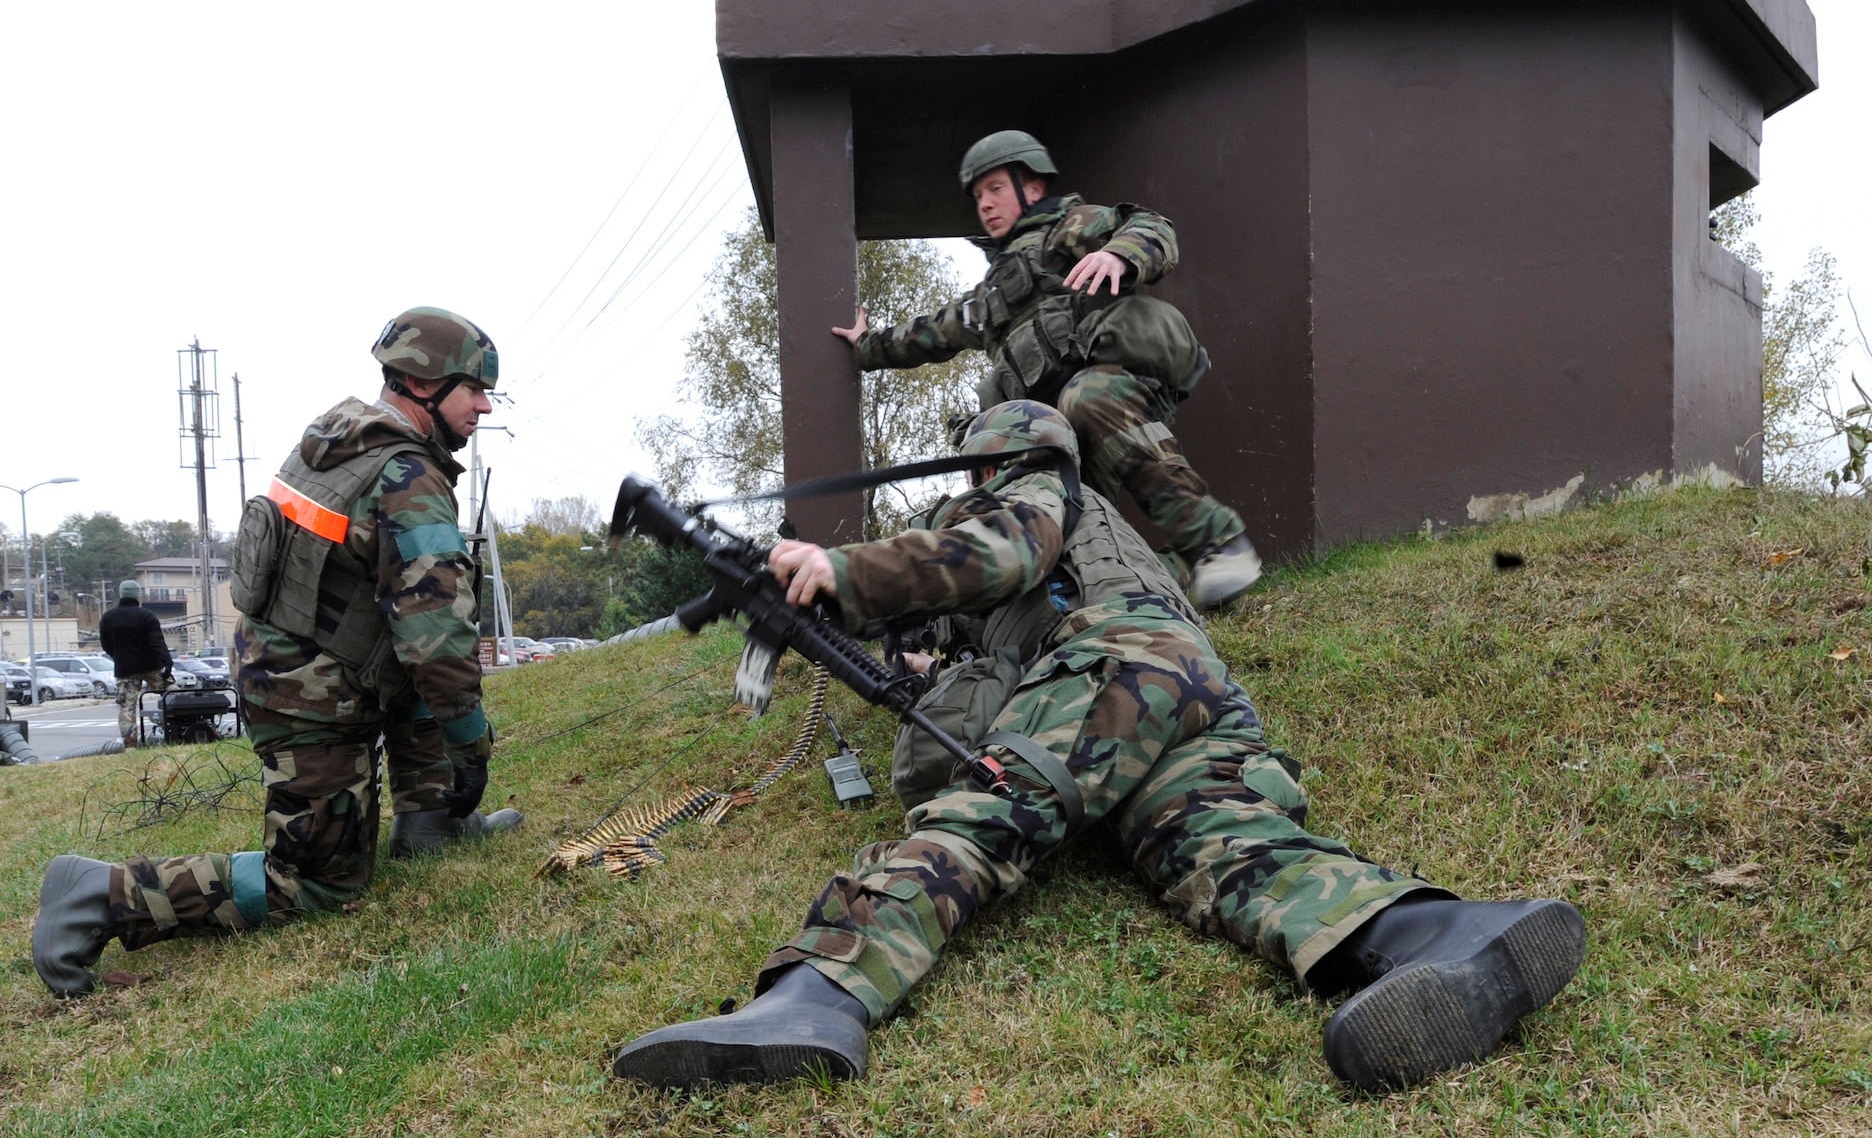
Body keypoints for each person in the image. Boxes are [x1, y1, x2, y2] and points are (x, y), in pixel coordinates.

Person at [611, 401, 1585, 1093]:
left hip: (1107, 675)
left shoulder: (1036, 491)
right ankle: (1428, 935)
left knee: (985, 811)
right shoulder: (1119, 537)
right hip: (1189, 689)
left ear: (992, 464)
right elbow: (979, 610)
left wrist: (842, 565)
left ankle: (818, 991)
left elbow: (991, 554)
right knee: (1226, 848)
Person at [31, 308, 523, 998]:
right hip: (311, 696)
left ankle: (433, 823)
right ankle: (101, 893)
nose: (484, 403)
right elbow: (437, 636)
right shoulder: (408, 475)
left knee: (419, 682)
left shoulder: (341, 440)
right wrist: (471, 745)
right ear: (421, 383)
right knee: (317, 884)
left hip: (299, 664)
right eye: (473, 386)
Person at [832, 130, 1262, 610]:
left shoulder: (1068, 228)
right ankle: (1175, 578)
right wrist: (865, 345)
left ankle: (1220, 544)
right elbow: (928, 333)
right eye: (978, 196)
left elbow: (1151, 226)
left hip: (1115, 398)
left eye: (996, 188)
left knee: (1088, 395)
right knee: (1058, 527)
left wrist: (1118, 253)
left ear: (1032, 188)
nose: (986, 205)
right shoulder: (986, 300)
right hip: (1055, 439)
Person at [98, 579, 175, 746]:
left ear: (121, 595)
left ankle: (130, 744)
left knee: (127, 707)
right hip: (151, 666)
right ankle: (177, 729)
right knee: (172, 693)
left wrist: (118, 656)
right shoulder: (146, 615)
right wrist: (167, 663)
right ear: (137, 596)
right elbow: (157, 642)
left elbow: (106, 645)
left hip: (125, 669)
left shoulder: (108, 618)